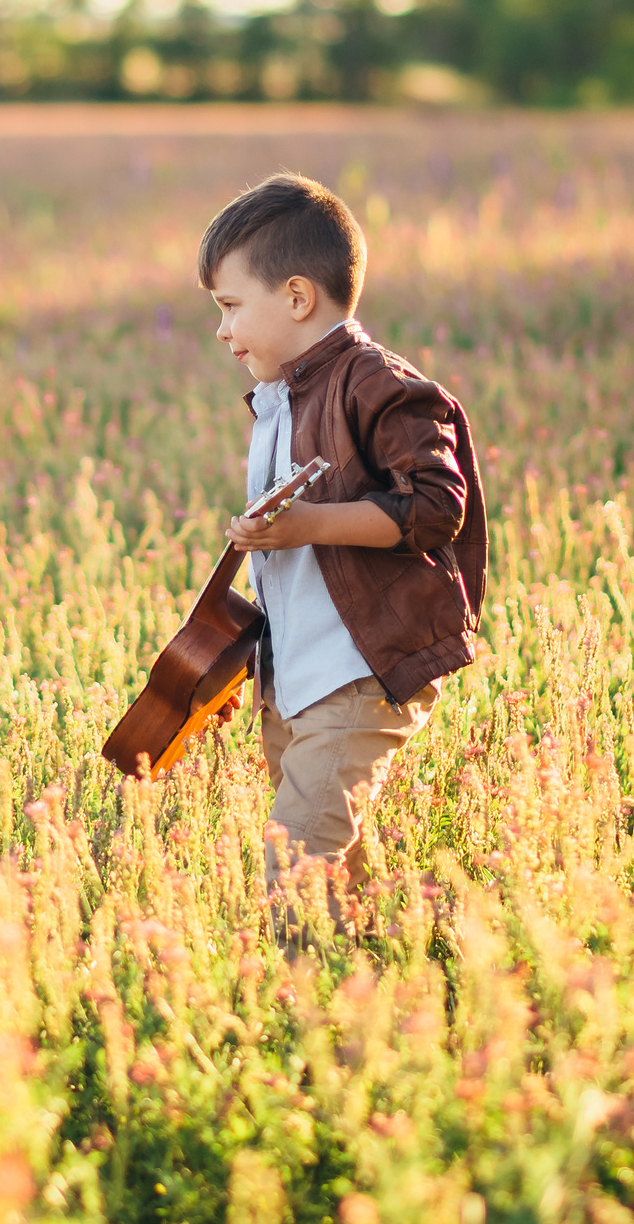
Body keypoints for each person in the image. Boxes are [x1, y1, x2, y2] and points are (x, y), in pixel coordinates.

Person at [197, 175, 486, 931]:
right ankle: (400, 975)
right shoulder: (282, 395)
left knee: (296, 853)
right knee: (337, 860)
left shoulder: (377, 384)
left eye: (231, 307)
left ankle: (309, 1024)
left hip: (360, 671)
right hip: (299, 676)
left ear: (297, 298)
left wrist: (306, 525)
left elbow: (434, 506)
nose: (223, 331)